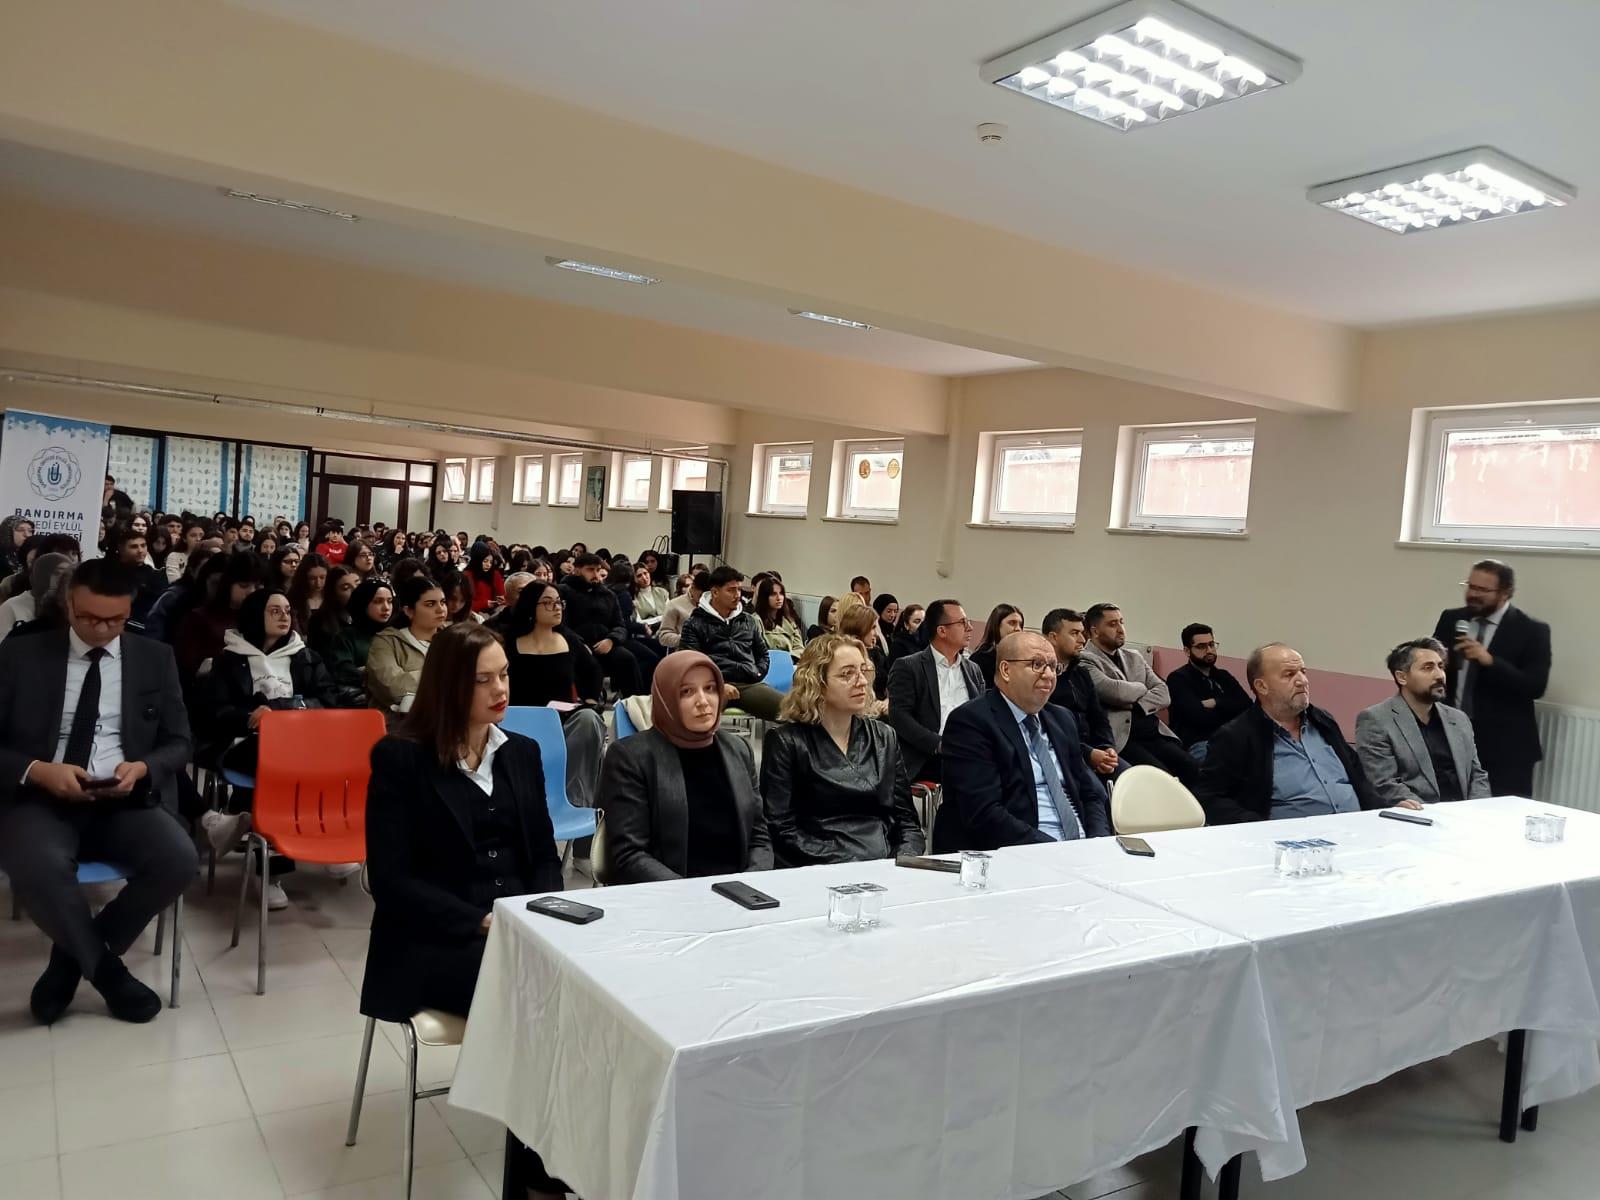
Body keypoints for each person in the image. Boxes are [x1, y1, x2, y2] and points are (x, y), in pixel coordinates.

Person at [360, 623, 569, 1199]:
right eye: (483, 680)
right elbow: (392, 882)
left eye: (504, 675)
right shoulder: (402, 759)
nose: (500, 690)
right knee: (541, 1002)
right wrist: (479, 920)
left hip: (519, 928)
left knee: (588, 991)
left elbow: (543, 855)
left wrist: (539, 911)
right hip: (434, 937)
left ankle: (566, 1155)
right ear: (449, 685)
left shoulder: (519, 752)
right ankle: (537, 1178)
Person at [0, 558, 197, 1025]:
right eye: (89, 618)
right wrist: (37, 770)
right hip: (41, 798)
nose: (102, 630)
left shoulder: (154, 658)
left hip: (122, 797)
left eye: (115, 620)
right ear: (68, 605)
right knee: (38, 865)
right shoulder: (20, 655)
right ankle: (108, 973)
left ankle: (70, 961)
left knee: (179, 860)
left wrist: (144, 767)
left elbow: (180, 743)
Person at [196, 588, 342, 909]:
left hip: (301, 746)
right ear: (254, 615)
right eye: (274, 610)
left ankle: (246, 818)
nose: (284, 616)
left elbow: (327, 701)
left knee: (292, 767)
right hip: (243, 745)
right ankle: (277, 866)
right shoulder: (230, 660)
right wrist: (251, 717)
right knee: (277, 764)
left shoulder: (305, 657)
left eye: (288, 610)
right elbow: (213, 712)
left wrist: (279, 710)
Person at [599, 650, 772, 884]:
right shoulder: (630, 757)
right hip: (669, 895)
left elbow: (759, 836)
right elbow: (629, 855)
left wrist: (750, 884)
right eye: (686, 692)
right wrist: (693, 894)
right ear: (666, 698)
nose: (703, 701)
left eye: (710, 688)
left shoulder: (738, 749)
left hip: (739, 891)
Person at [936, 631, 1111, 851]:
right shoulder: (971, 721)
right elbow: (983, 813)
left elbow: (1091, 793)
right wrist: (1056, 851)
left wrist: (1098, 842)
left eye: (1053, 666)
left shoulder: (1062, 719)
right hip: (1017, 850)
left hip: (1079, 849)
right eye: (1037, 665)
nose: (1049, 675)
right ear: (1006, 670)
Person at [761, 634, 922, 866]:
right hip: (818, 866)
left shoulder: (884, 737)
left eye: (863, 671)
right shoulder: (786, 742)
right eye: (847, 674)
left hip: (884, 864)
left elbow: (906, 820)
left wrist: (904, 861)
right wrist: (848, 864)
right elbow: (780, 828)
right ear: (818, 683)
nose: (861, 682)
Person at [1196, 643, 1383, 824]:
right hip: (1291, 840)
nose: (1302, 681)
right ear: (1262, 686)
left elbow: (1359, 776)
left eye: (1303, 672)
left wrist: (1384, 812)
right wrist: (1259, 827)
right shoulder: (1236, 736)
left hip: (1358, 830)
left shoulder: (1323, 721)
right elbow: (1209, 798)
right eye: (1289, 674)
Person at [1430, 559, 1551, 797]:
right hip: (1450, 737)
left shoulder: (1532, 630)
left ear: (1505, 593)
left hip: (1505, 748)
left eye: (1483, 590)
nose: (1473, 594)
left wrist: (1490, 661)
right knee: (1446, 809)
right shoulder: (1452, 619)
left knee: (1501, 814)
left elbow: (1535, 686)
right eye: (1470, 586)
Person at [503, 581, 607, 811]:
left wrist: (590, 700)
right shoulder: (508, 642)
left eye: (559, 602)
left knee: (589, 719)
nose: (556, 607)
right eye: (548, 603)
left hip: (562, 720)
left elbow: (592, 671)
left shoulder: (568, 640)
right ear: (531, 607)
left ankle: (576, 801)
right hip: (520, 723)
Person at [1356, 638, 1490, 808]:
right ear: (1402, 677)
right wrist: (1434, 815)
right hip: (1418, 816)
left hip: (1465, 815)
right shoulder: (1376, 719)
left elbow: (1476, 774)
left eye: (1441, 666)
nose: (1440, 675)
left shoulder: (1458, 719)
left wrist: (1477, 809)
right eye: (1428, 668)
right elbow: (1385, 783)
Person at [1078, 603, 1197, 786]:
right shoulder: (1084, 659)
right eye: (1112, 624)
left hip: (1153, 732)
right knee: (1163, 781)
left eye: (1121, 622)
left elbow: (1164, 693)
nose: (1120, 629)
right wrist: (1142, 687)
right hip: (1123, 738)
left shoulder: (1134, 656)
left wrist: (1137, 704)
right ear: (1095, 631)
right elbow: (1115, 692)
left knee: (1193, 769)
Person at [886, 599, 984, 783]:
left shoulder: (973, 670)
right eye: (963, 623)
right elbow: (899, 716)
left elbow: (981, 713)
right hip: (928, 757)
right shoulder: (909, 667)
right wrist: (939, 744)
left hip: (969, 755)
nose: (970, 628)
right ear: (942, 631)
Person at [679, 565, 782, 721]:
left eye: (739, 590)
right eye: (731, 590)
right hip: (711, 686)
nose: (737, 595)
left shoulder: (748, 620)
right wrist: (719, 684)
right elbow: (692, 664)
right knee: (700, 717)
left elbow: (763, 654)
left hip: (747, 684)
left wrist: (757, 672)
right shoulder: (694, 623)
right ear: (715, 592)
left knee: (795, 711)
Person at [1041, 608, 1120, 785]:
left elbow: (1099, 718)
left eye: (1082, 633)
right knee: (1099, 793)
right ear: (1053, 637)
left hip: (1095, 751)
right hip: (1063, 754)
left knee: (1131, 782)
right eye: (1074, 633)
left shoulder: (1082, 673)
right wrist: (1088, 754)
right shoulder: (1042, 677)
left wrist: (1107, 747)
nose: (1083, 640)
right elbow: (1046, 729)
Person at [174, 552, 268, 687]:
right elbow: (185, 670)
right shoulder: (199, 618)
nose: (252, 592)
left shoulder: (267, 618)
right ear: (228, 584)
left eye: (258, 587)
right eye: (243, 585)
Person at [558, 554, 645, 696]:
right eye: (590, 570)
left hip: (605, 644)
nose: (595, 574)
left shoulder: (608, 595)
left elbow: (620, 625)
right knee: (585, 663)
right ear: (577, 570)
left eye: (598, 570)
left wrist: (611, 640)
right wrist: (579, 644)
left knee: (627, 658)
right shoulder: (563, 591)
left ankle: (633, 702)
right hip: (575, 645)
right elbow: (561, 625)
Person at [366, 575, 449, 721]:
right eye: (430, 604)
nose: (440, 609)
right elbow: (392, 686)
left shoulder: (453, 639)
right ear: (409, 611)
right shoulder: (386, 642)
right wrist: (444, 675)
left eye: (442, 602)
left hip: (447, 719)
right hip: (399, 724)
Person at [1166, 623, 1251, 761]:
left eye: (1211, 645)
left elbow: (1247, 706)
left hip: (1232, 738)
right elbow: (1198, 718)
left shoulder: (1223, 676)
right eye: (1202, 646)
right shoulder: (1178, 679)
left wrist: (1215, 702)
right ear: (1187, 651)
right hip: (1199, 743)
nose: (1209, 650)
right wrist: (1230, 707)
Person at [326, 579, 392, 708]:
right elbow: (343, 671)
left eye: (389, 601)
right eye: (378, 601)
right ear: (363, 603)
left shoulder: (395, 635)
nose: (386, 607)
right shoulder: (346, 637)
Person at [0, 551, 76, 644]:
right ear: (42, 575)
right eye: (57, 573)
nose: (62, 580)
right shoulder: (11, 607)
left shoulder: (72, 607)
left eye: (66, 575)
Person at [107, 523, 167, 633]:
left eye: (143, 546)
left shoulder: (154, 575)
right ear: (121, 549)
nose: (140, 550)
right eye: (134, 547)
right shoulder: (109, 572)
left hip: (144, 630)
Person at [837, 603, 890, 703]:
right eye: (873, 628)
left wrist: (888, 701)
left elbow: (889, 683)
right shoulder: (843, 657)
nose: (876, 633)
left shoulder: (877, 652)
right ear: (860, 628)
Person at [971, 603, 1024, 688]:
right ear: (997, 626)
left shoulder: (1021, 658)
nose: (1018, 629)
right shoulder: (980, 658)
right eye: (1012, 623)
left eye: (1020, 625)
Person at [657, 569, 707, 650]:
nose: (703, 599)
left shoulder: (713, 603)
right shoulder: (674, 604)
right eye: (701, 596)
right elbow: (663, 637)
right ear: (692, 588)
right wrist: (687, 638)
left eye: (707, 596)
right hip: (685, 651)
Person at [754, 576, 806, 654]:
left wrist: (790, 657)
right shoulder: (756, 621)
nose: (779, 598)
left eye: (781, 593)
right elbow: (759, 651)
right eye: (773, 594)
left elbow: (799, 648)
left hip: (791, 659)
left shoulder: (789, 620)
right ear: (765, 597)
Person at [286, 552, 330, 636]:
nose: (318, 583)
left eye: (322, 577)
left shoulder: (333, 597)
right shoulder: (294, 600)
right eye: (312, 578)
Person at [465, 543, 505, 613]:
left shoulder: (495, 574)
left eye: (491, 562)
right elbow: (465, 604)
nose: (488, 565)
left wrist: (501, 599)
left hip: (494, 610)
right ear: (478, 560)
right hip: (473, 612)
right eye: (485, 561)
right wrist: (485, 604)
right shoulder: (467, 575)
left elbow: (502, 595)